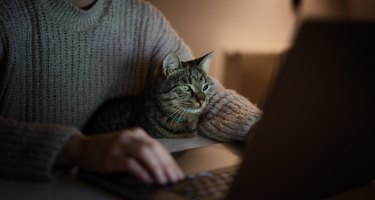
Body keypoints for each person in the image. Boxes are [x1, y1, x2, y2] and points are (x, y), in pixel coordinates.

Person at [0, 0, 261, 185]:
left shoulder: (143, 19)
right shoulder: (8, 16)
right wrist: (75, 149)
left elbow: (207, 93)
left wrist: (259, 128)